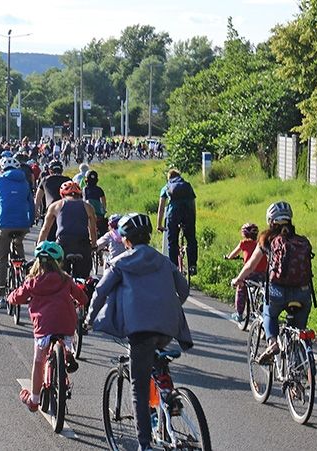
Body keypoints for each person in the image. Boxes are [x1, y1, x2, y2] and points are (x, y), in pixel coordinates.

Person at [86, 213, 193, 451]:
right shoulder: (164, 261)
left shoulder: (120, 263)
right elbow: (183, 289)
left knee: (139, 387)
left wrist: (89, 319)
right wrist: (168, 306)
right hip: (168, 327)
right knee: (156, 361)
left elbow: (100, 292)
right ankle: (168, 397)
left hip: (140, 331)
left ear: (126, 240)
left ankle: (144, 445)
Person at [231, 201, 313, 364]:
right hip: (303, 293)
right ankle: (300, 370)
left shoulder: (266, 239)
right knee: (299, 330)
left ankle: (273, 343)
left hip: (278, 291)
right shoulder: (302, 241)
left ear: (270, 221)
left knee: (269, 313)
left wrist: (238, 279)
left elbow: (250, 265)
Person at [10, 241, 88, 411]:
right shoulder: (66, 279)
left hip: (44, 327)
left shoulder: (33, 282)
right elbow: (82, 297)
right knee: (65, 338)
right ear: (59, 262)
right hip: (66, 324)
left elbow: (17, 297)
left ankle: (34, 400)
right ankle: (66, 353)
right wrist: (80, 300)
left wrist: (11, 298)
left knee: (39, 361)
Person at [0, 157, 35, 309]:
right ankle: (24, 278)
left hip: (4, 225)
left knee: (2, 258)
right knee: (18, 244)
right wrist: (30, 221)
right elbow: (31, 204)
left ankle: (1, 296)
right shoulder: (24, 182)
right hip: (22, 225)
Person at [37, 181, 97, 279]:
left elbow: (45, 229)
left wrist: (40, 244)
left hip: (63, 243)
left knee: (60, 276)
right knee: (84, 277)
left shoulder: (56, 205)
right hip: (82, 243)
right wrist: (94, 245)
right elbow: (93, 229)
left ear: (62, 194)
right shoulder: (88, 207)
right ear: (79, 194)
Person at [156, 169, 198, 276]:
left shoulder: (166, 187)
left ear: (169, 177)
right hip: (188, 213)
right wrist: (193, 219)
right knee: (191, 239)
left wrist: (159, 224)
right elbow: (193, 204)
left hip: (173, 215)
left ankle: (173, 267)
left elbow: (161, 208)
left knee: (172, 241)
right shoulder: (187, 185)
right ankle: (192, 265)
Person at [225, 223, 267, 323]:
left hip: (250, 273)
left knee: (241, 288)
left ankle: (239, 314)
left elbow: (233, 254)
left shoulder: (244, 243)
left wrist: (228, 257)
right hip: (262, 273)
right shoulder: (260, 244)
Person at [34, 160, 70, 240]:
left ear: (50, 170)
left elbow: (37, 198)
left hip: (50, 212)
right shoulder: (68, 180)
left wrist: (35, 212)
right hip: (66, 212)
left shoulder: (45, 180)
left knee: (48, 238)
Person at [83, 169, 107, 237]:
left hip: (88, 212)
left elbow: (84, 200)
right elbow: (103, 202)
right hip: (99, 212)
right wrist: (103, 210)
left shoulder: (85, 189)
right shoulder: (99, 189)